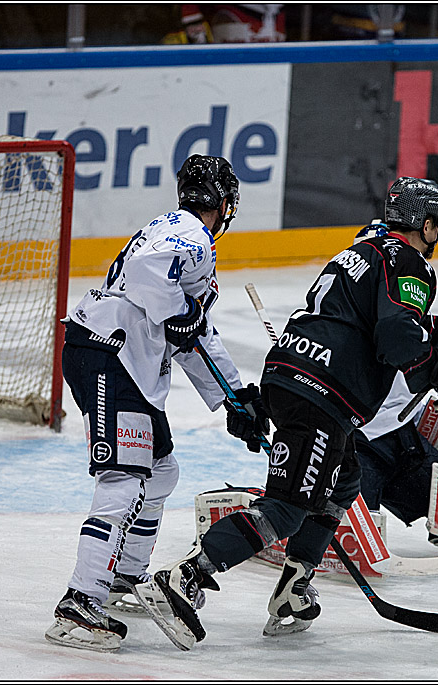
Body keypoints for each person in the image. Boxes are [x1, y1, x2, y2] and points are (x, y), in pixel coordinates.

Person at [135, 177, 438, 650]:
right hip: (321, 393)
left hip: (293, 376)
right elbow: (396, 340)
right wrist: (437, 366)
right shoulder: (409, 262)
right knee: (288, 507)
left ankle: (293, 589)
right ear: (426, 223)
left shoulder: (366, 251)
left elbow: (381, 321)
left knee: (346, 476)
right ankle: (183, 577)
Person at [44, 154, 269, 652]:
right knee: (122, 478)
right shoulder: (186, 231)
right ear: (224, 203)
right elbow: (157, 287)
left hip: (125, 363)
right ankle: (79, 604)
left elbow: (193, 334)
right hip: (110, 357)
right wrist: (179, 316)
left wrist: (235, 399)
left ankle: (122, 576)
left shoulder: (189, 242)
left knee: (161, 471)